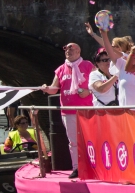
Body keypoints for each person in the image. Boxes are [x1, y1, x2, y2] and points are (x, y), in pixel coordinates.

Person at [40, 42, 94, 178]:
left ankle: (93, 165)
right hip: (68, 110)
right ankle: (76, 167)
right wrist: (46, 89)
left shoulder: (88, 65)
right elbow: (54, 88)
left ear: (79, 51)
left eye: (71, 48)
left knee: (89, 138)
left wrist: (88, 91)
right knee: (73, 141)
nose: (68, 50)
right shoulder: (61, 69)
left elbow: (98, 84)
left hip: (86, 109)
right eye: (66, 48)